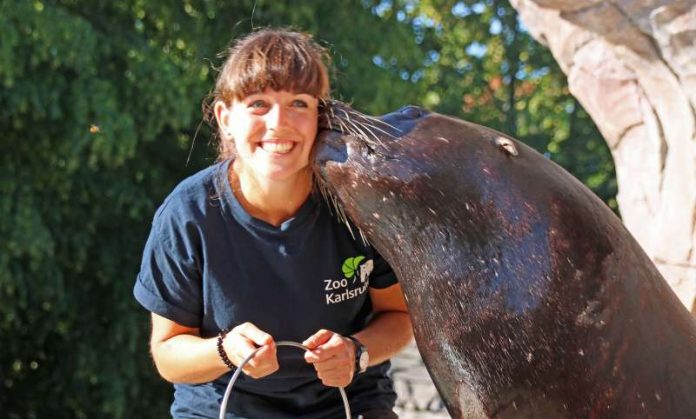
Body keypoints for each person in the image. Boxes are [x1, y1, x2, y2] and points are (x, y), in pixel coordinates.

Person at [133, 28, 413, 419]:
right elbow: (168, 354)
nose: (279, 123)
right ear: (225, 118)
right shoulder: (187, 214)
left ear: (321, 117)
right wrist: (225, 351)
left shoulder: (359, 208)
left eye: (299, 103)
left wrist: (356, 352)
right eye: (259, 104)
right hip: (224, 408)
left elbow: (399, 318)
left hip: (349, 403)